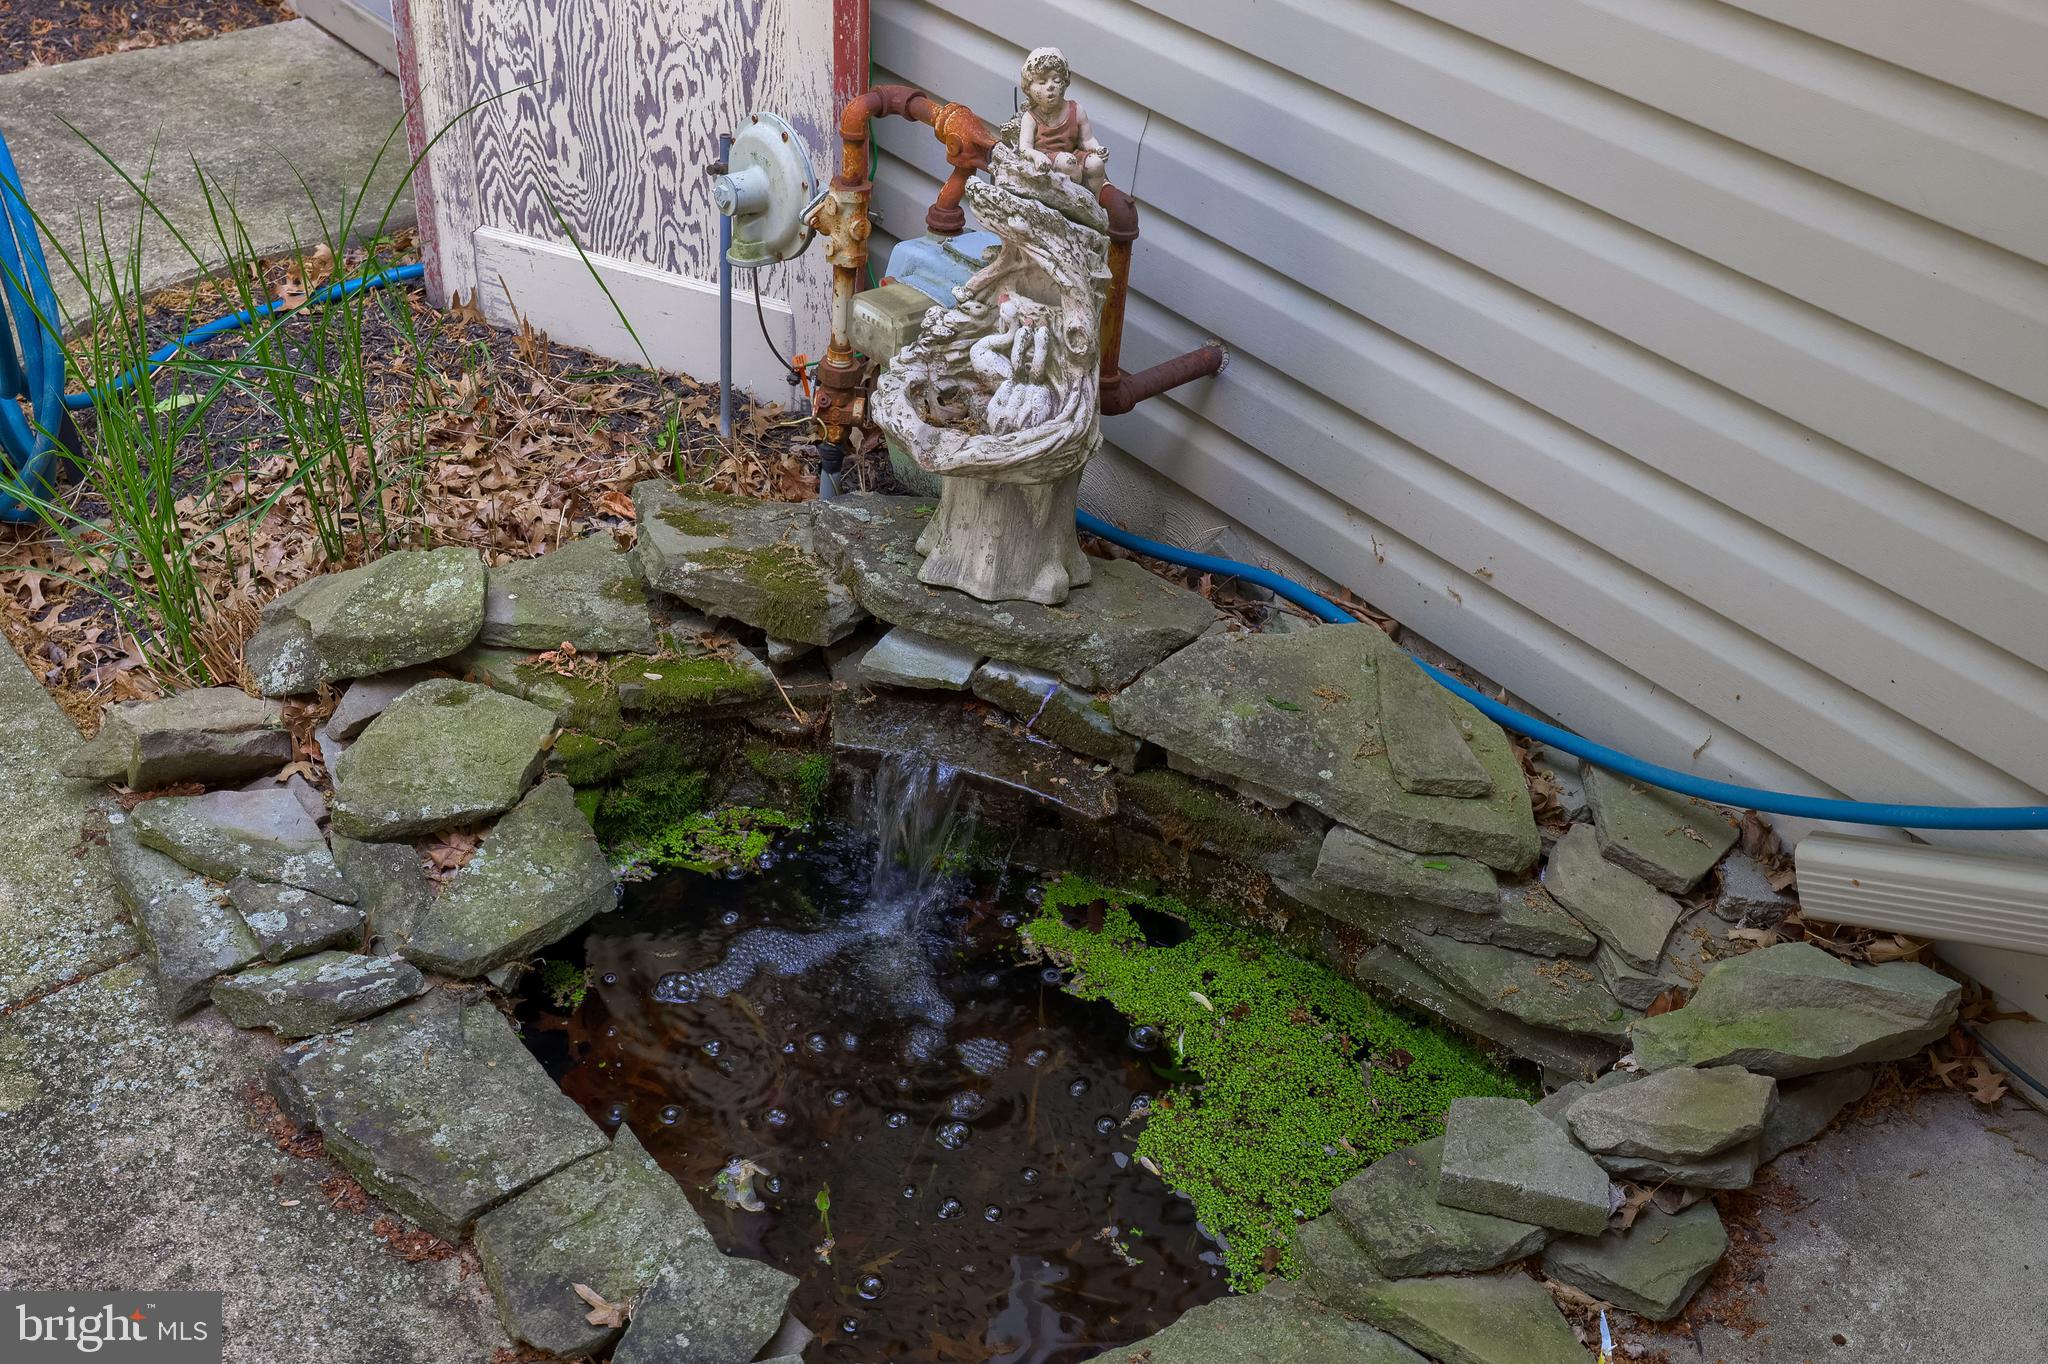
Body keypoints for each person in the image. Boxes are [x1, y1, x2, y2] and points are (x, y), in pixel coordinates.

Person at [1015, 47, 1108, 193]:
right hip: (1047, 161)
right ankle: (1074, 204)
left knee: (1096, 164)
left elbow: (1087, 139)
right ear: (1028, 87)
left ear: (1065, 82)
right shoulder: (1030, 118)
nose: (1050, 86)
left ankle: (1093, 203)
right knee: (1068, 163)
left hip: (1073, 156)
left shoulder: (1076, 110)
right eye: (1042, 82)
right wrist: (1037, 156)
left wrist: (1097, 149)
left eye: (1056, 80)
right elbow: (1025, 149)